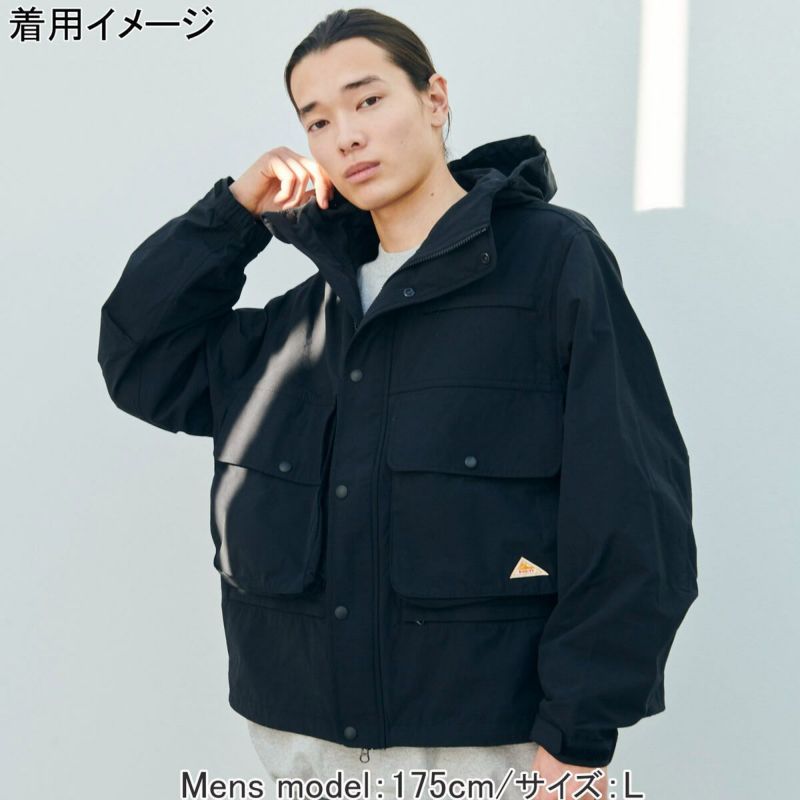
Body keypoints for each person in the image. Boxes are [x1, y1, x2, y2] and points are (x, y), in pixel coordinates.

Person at [97, 7, 699, 800]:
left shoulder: (550, 265)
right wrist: (233, 215)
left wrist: (579, 738)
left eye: (368, 100)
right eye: (317, 120)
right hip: (301, 749)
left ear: (434, 99)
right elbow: (141, 357)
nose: (345, 136)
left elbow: (629, 502)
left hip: (492, 752)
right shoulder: (304, 321)